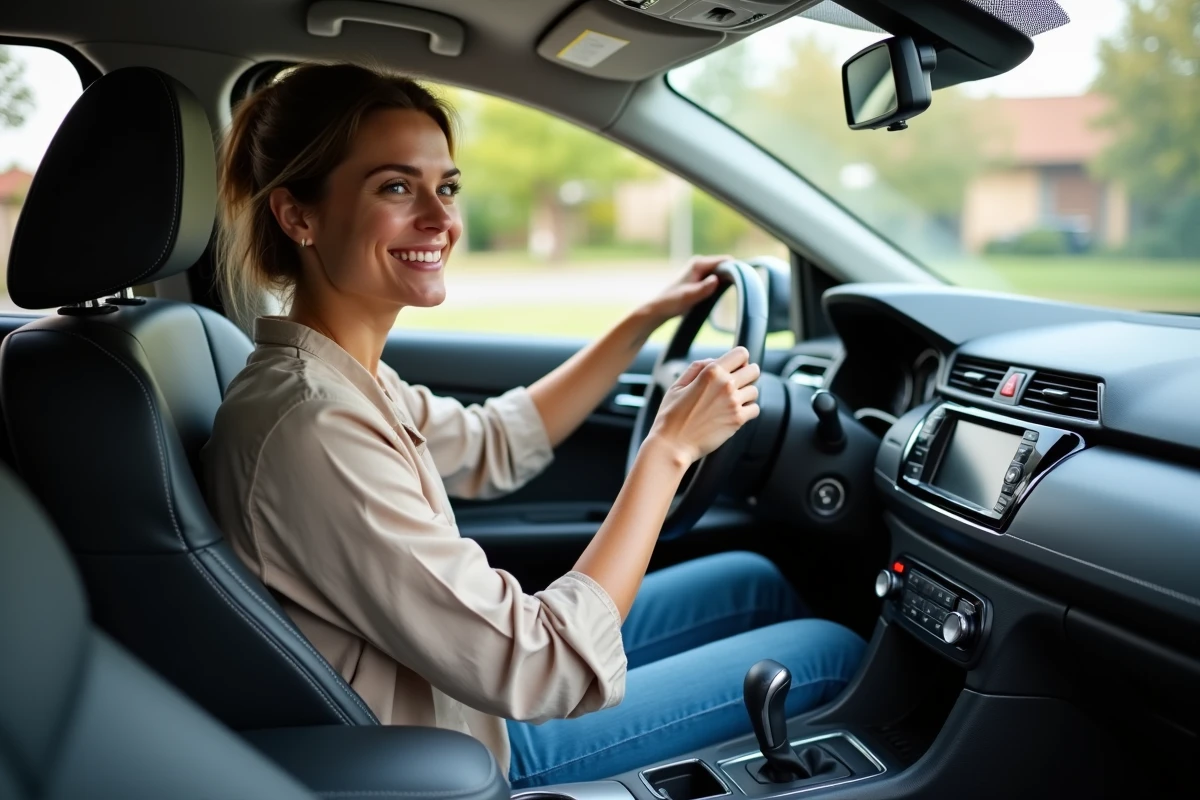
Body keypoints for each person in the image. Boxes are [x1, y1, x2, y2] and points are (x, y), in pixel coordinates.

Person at [201, 62, 865, 788]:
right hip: (458, 750)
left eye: (447, 187)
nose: (441, 221)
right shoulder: (315, 427)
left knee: (751, 582)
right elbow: (541, 666)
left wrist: (643, 321)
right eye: (395, 187)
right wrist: (670, 450)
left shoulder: (342, 379)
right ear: (298, 216)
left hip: (460, 688)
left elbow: (494, 443)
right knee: (827, 652)